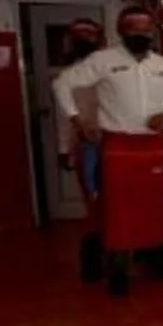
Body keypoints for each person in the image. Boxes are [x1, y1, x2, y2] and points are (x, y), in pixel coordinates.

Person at [54, 4, 163, 295]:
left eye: (146, 27)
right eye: (133, 27)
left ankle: (160, 262)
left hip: (155, 147)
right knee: (118, 212)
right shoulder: (103, 60)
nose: (140, 32)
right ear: (120, 30)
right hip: (118, 147)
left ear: (153, 31)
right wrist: (77, 122)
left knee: (157, 208)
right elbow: (62, 84)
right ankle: (118, 272)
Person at [54, 18, 107, 282]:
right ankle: (94, 263)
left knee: (119, 202)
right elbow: (65, 117)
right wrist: (64, 149)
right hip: (87, 147)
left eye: (90, 36)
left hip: (116, 145)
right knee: (95, 205)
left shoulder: (110, 71)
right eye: (81, 37)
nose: (86, 42)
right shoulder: (69, 77)